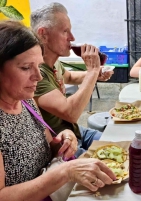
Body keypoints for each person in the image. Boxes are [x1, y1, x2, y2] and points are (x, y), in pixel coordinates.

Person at [0, 20, 115, 201]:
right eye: (26, 67)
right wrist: (66, 172)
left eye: (38, 66)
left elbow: (51, 146)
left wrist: (65, 138)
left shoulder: (26, 101)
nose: (38, 77)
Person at [30, 2, 114, 158]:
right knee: (114, 164)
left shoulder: (54, 61)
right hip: (62, 144)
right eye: (65, 31)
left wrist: (96, 74)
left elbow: (68, 76)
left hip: (77, 131)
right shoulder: (35, 74)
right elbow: (70, 112)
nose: (72, 38)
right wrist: (92, 72)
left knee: (118, 144)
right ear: (43, 34)